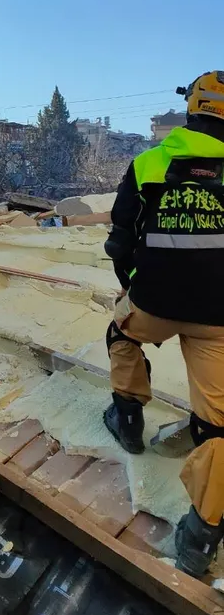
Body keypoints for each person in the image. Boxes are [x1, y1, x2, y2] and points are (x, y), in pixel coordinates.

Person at [103, 71, 224, 577]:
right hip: (219, 318)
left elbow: (118, 237)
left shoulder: (149, 161)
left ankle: (128, 419)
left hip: (151, 303)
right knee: (218, 425)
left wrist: (131, 284)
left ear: (190, 108)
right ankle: (201, 534)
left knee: (120, 332)